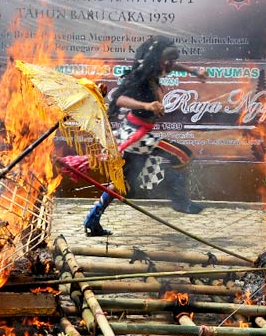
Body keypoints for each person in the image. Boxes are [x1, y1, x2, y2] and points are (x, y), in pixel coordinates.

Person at [83, 36, 208, 237]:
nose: (170, 66)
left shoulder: (154, 71)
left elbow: (173, 66)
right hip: (136, 135)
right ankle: (179, 201)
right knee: (182, 155)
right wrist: (147, 106)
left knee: (123, 182)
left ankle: (93, 218)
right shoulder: (140, 78)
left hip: (139, 132)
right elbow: (118, 98)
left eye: (170, 61)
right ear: (156, 60)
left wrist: (194, 71)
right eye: (166, 61)